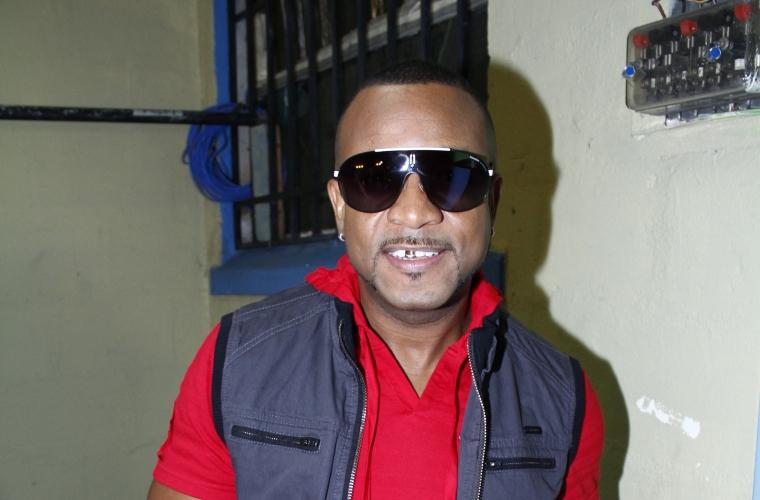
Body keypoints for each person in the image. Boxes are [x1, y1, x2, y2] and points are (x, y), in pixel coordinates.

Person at [148, 61, 604, 500]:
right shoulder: (238, 361)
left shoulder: (562, 396)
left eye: (453, 177)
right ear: (339, 205)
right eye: (374, 179)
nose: (414, 212)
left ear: (492, 201)